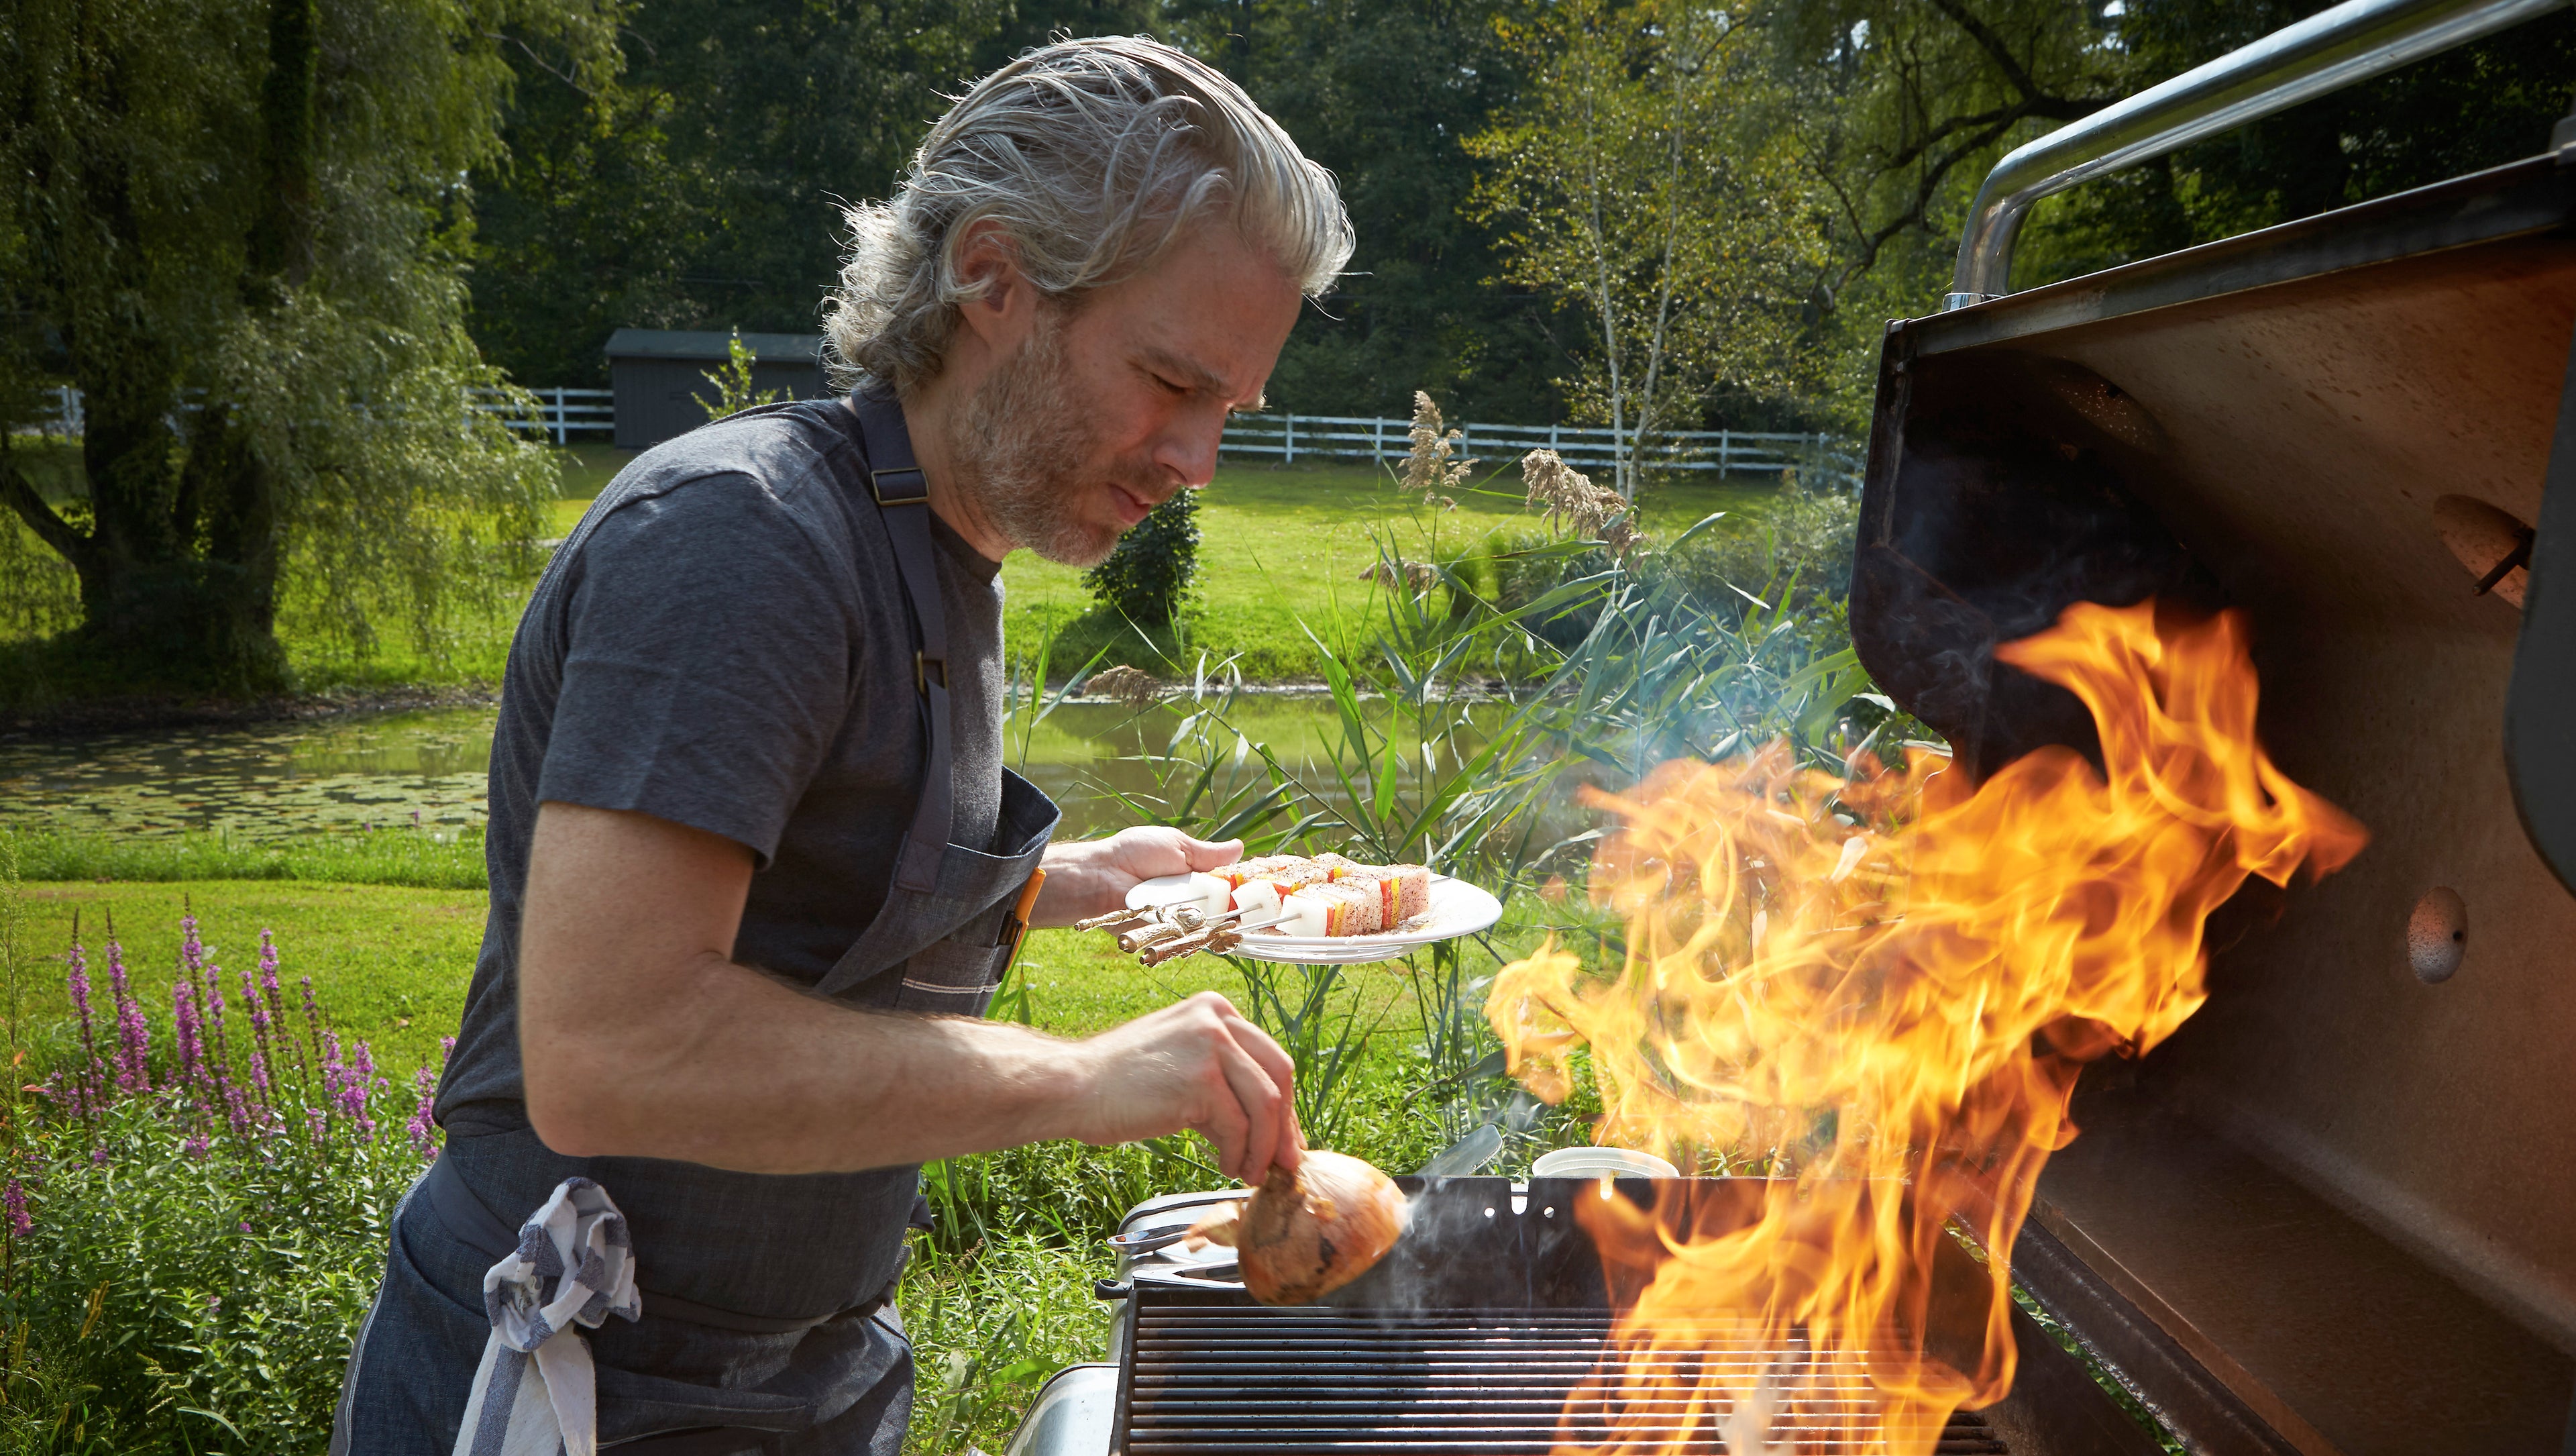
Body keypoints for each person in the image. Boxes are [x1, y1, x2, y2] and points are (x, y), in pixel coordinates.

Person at [331, 36, 1354, 1455]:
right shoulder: (743, 544)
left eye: (1227, 409)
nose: (1197, 462)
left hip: (806, 1373)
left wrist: (1064, 880)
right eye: (1170, 379)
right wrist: (1086, 1076)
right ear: (991, 275)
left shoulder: (938, 551)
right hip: (591, 1374)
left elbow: (815, 875)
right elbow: (609, 1045)